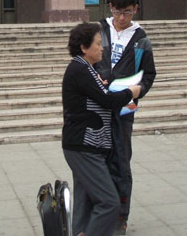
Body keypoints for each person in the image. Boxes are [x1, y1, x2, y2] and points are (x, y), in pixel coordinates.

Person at [62, 22, 141, 236]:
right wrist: (131, 92)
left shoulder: (86, 69)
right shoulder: (80, 68)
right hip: (83, 146)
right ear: (84, 48)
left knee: (85, 202)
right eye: (98, 44)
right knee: (109, 202)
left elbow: (98, 93)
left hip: (86, 146)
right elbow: (106, 100)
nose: (102, 48)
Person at [94, 0, 156, 235]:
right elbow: (82, 62)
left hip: (124, 109)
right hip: (96, 108)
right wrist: (95, 80)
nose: (122, 18)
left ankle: (121, 216)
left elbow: (149, 75)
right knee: (96, 162)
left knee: (121, 163)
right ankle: (96, 214)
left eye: (128, 13)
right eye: (118, 12)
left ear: (136, 10)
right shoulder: (98, 30)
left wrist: (137, 90)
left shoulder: (141, 39)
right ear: (110, 8)